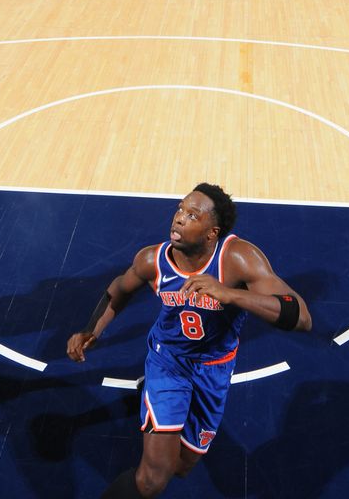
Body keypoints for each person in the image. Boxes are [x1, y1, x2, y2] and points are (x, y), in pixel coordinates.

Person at [67, 183, 311, 499]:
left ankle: (155, 402)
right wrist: (92, 330)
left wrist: (231, 294)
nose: (179, 218)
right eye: (180, 209)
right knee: (153, 480)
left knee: (181, 466)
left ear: (212, 233)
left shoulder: (237, 259)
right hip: (168, 362)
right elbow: (119, 289)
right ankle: (155, 393)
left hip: (214, 368)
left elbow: (301, 316)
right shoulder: (153, 260)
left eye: (193, 215)